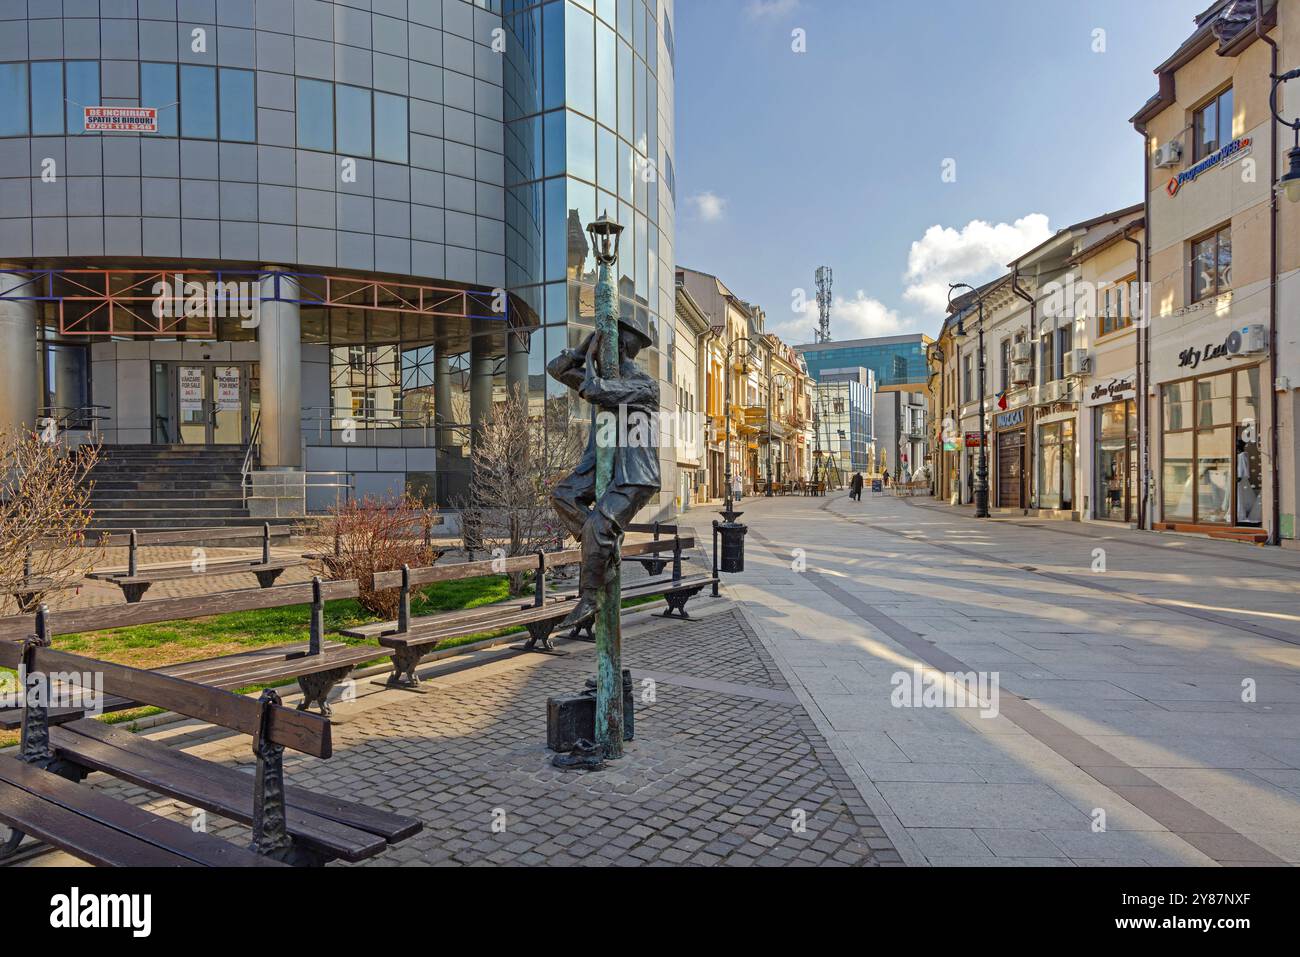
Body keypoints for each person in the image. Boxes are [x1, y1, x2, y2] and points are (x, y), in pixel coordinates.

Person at [548, 317, 660, 629]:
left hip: (634, 475)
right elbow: (556, 369)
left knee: (598, 528)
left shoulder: (644, 386)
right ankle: (604, 545)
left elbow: (596, 391)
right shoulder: (604, 377)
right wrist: (585, 346)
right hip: (600, 465)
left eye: (602, 344)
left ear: (618, 348)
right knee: (563, 495)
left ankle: (590, 596)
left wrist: (589, 358)